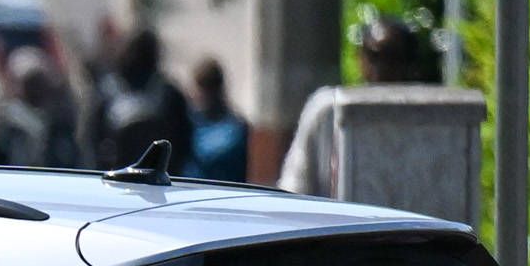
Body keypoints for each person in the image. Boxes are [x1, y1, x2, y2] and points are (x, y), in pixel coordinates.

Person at [277, 15, 446, 196]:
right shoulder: (327, 109)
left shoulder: (432, 119)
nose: (383, 68)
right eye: (374, 56)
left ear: (411, 65)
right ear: (360, 59)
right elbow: (295, 183)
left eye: (393, 58)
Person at [93, 25, 196, 177]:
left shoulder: (107, 89)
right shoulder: (168, 91)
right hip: (144, 178)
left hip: (131, 178)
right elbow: (185, 140)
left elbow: (92, 138)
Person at [0, 45, 79, 173]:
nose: (36, 89)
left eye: (38, 81)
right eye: (30, 83)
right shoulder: (12, 125)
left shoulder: (58, 120)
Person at [185, 57, 251, 182]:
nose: (201, 95)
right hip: (190, 188)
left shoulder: (234, 128)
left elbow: (209, 156)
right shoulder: (192, 120)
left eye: (207, 88)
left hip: (222, 189)